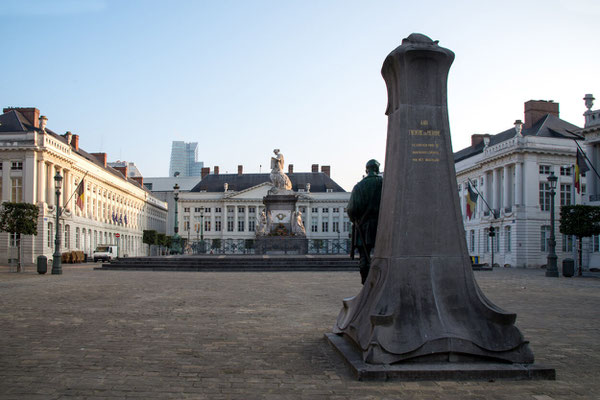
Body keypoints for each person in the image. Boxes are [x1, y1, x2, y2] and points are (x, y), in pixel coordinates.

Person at [348, 159, 383, 284]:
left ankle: (366, 284)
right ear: (378, 169)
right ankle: (383, 281)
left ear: (366, 170)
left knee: (364, 256)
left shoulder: (358, 187)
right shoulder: (384, 183)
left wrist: (355, 221)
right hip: (383, 226)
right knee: (385, 255)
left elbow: (351, 209)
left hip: (364, 226)